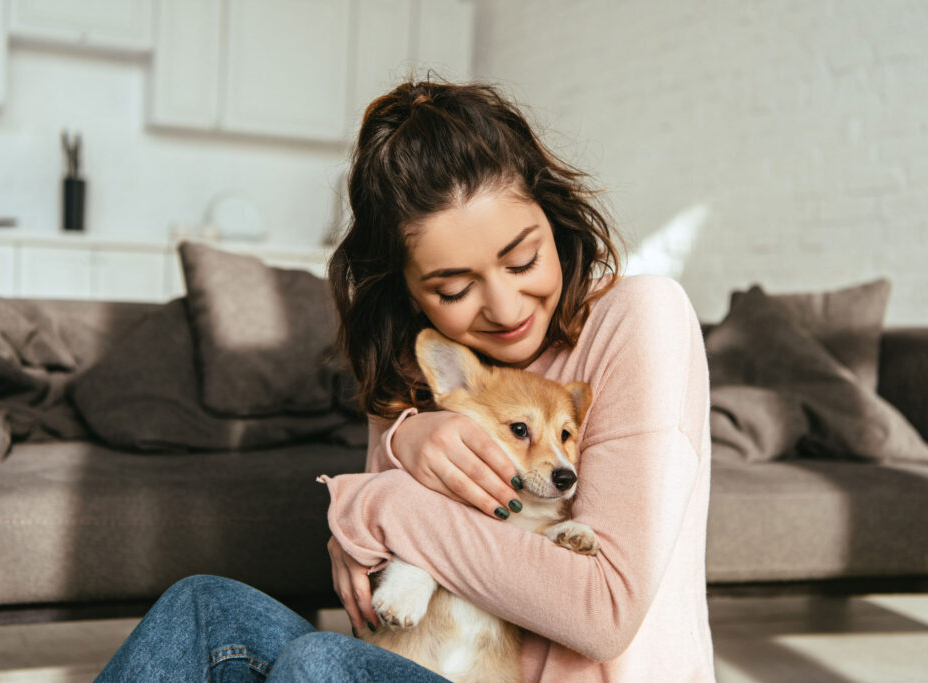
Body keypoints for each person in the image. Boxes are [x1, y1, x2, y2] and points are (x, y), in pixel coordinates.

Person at [97, 80, 714, 682]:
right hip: (433, 658)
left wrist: (379, 498)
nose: (504, 306)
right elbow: (379, 607)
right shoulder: (420, 369)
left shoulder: (639, 318)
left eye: (523, 259)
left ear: (551, 217)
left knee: (319, 662)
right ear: (409, 291)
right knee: (201, 608)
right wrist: (401, 443)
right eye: (453, 288)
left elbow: (601, 612)